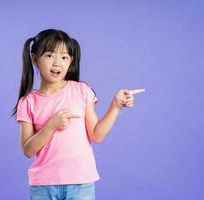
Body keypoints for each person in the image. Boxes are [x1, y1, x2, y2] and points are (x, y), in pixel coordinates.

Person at [12, 29, 145, 200]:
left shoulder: (81, 91)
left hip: (81, 183)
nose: (57, 63)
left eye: (64, 57)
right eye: (50, 55)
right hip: (43, 186)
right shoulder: (28, 102)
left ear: (71, 61)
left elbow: (96, 135)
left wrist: (116, 106)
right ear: (35, 58)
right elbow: (27, 150)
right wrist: (50, 127)